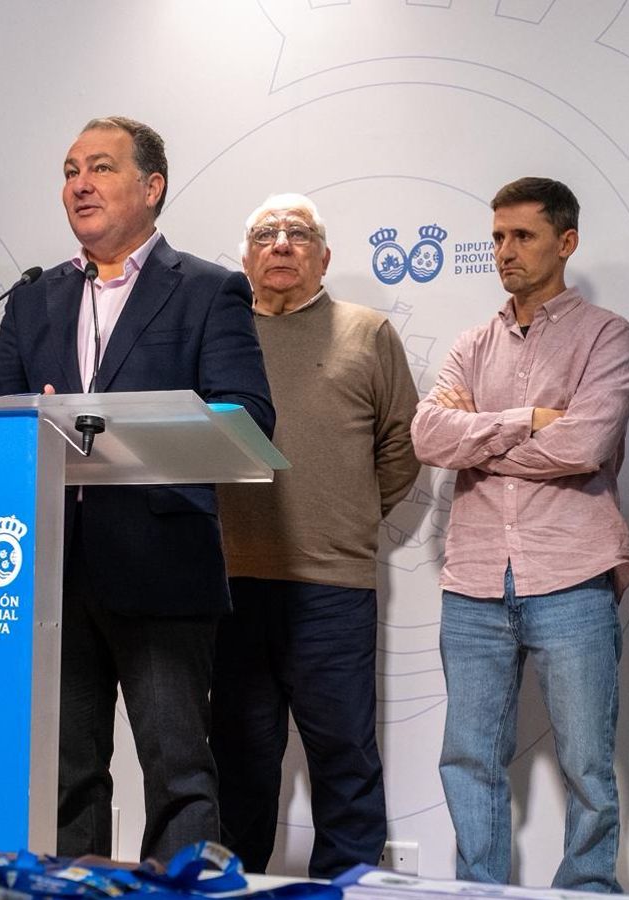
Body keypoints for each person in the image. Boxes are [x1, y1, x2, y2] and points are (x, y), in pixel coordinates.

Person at [0, 115, 274, 863]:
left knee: (178, 774)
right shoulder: (33, 298)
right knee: (68, 778)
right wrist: (35, 419)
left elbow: (249, 415)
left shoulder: (209, 291)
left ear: (152, 187)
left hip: (161, 567)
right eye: (71, 169)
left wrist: (117, 424)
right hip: (52, 574)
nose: (79, 183)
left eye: (101, 167)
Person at [411, 178, 629, 892]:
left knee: (588, 765)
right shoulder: (472, 343)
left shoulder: (608, 335)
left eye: (523, 237)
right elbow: (426, 434)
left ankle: (588, 892)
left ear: (565, 243)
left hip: (572, 576)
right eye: (498, 237)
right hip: (473, 581)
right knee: (469, 759)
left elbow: (584, 447)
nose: (504, 251)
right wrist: (531, 419)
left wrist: (477, 432)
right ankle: (479, 890)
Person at [211, 193, 418, 877]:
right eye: (265, 233)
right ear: (244, 256)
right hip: (231, 584)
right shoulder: (218, 333)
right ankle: (233, 890)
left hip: (333, 585)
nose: (280, 244)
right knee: (238, 760)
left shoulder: (368, 332)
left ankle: (349, 891)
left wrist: (347, 517)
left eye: (298, 233)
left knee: (345, 761)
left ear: (324, 256)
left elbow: (400, 448)